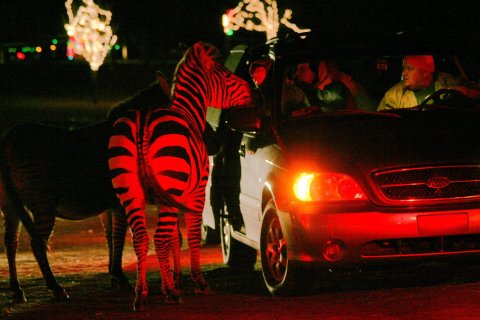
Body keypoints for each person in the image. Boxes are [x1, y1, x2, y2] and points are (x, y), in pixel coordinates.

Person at [377, 55, 479, 110]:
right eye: (404, 69)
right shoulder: (393, 96)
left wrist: (465, 92)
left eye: (409, 69)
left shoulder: (450, 82)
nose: (404, 73)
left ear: (425, 72)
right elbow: (382, 125)